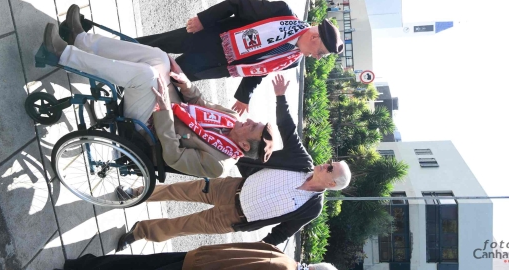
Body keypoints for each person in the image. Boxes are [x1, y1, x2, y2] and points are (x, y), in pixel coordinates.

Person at [114, 74, 351, 251]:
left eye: (330, 168)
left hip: (233, 219)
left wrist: (257, 251)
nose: (325, 164)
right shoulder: (302, 162)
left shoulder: (312, 207)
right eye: (330, 162)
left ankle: (140, 232)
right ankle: (136, 193)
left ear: (331, 184)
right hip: (230, 188)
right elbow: (288, 130)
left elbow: (284, 231)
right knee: (177, 190)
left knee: (182, 226)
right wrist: (280, 97)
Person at [42, 5, 274, 179]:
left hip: (149, 129)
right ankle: (81, 40)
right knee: (160, 58)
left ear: (245, 146)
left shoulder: (219, 165)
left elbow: (173, 156)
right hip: (168, 104)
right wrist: (185, 83)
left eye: (253, 127)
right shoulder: (232, 119)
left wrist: (164, 110)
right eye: (255, 122)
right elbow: (200, 103)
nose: (249, 120)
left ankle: (62, 55)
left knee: (146, 76)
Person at [137, 0, 344, 115]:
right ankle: (117, 48)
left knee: (165, 81)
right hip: (206, 36)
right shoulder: (282, 13)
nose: (317, 58)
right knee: (151, 46)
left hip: (214, 66)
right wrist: (204, 19)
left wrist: (245, 96)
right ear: (314, 37)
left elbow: (261, 70)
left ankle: (128, 85)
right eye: (320, 53)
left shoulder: (293, 60)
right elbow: (237, 5)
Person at [59, 241, 338, 270]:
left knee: (138, 262)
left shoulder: (283, 255)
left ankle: (81, 265)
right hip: (198, 268)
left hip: (199, 256)